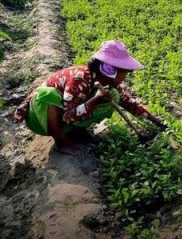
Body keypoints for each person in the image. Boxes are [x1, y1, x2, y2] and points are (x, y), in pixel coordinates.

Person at [13, 40, 165, 155]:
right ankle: (61, 140)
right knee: (49, 95)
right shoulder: (80, 80)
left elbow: (129, 103)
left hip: (66, 113)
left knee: (114, 96)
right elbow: (67, 117)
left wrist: (156, 122)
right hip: (39, 116)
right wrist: (95, 100)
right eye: (124, 71)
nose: (126, 76)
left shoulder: (110, 83)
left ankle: (75, 132)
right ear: (109, 69)